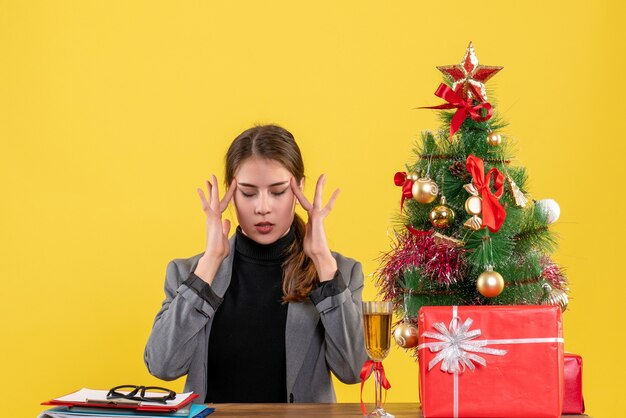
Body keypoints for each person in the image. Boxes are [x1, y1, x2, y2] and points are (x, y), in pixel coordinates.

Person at [144, 124, 368, 403]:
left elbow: (355, 370)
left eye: (278, 191)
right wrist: (210, 262)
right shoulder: (188, 273)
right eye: (249, 193)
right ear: (229, 193)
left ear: (299, 189)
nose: (263, 207)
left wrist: (322, 261)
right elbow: (162, 366)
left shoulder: (339, 273)